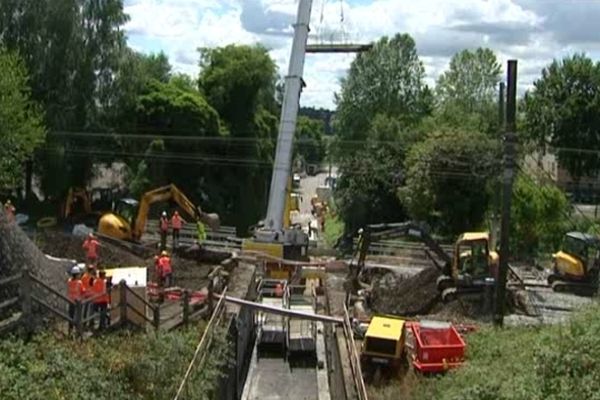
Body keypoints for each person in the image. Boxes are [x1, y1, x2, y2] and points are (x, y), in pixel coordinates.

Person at [67, 265, 85, 334]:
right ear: (77, 274)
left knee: (71, 316)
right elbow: (83, 290)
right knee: (78, 317)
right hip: (77, 301)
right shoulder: (79, 282)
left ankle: (70, 330)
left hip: (70, 300)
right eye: (79, 274)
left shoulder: (69, 282)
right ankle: (78, 331)